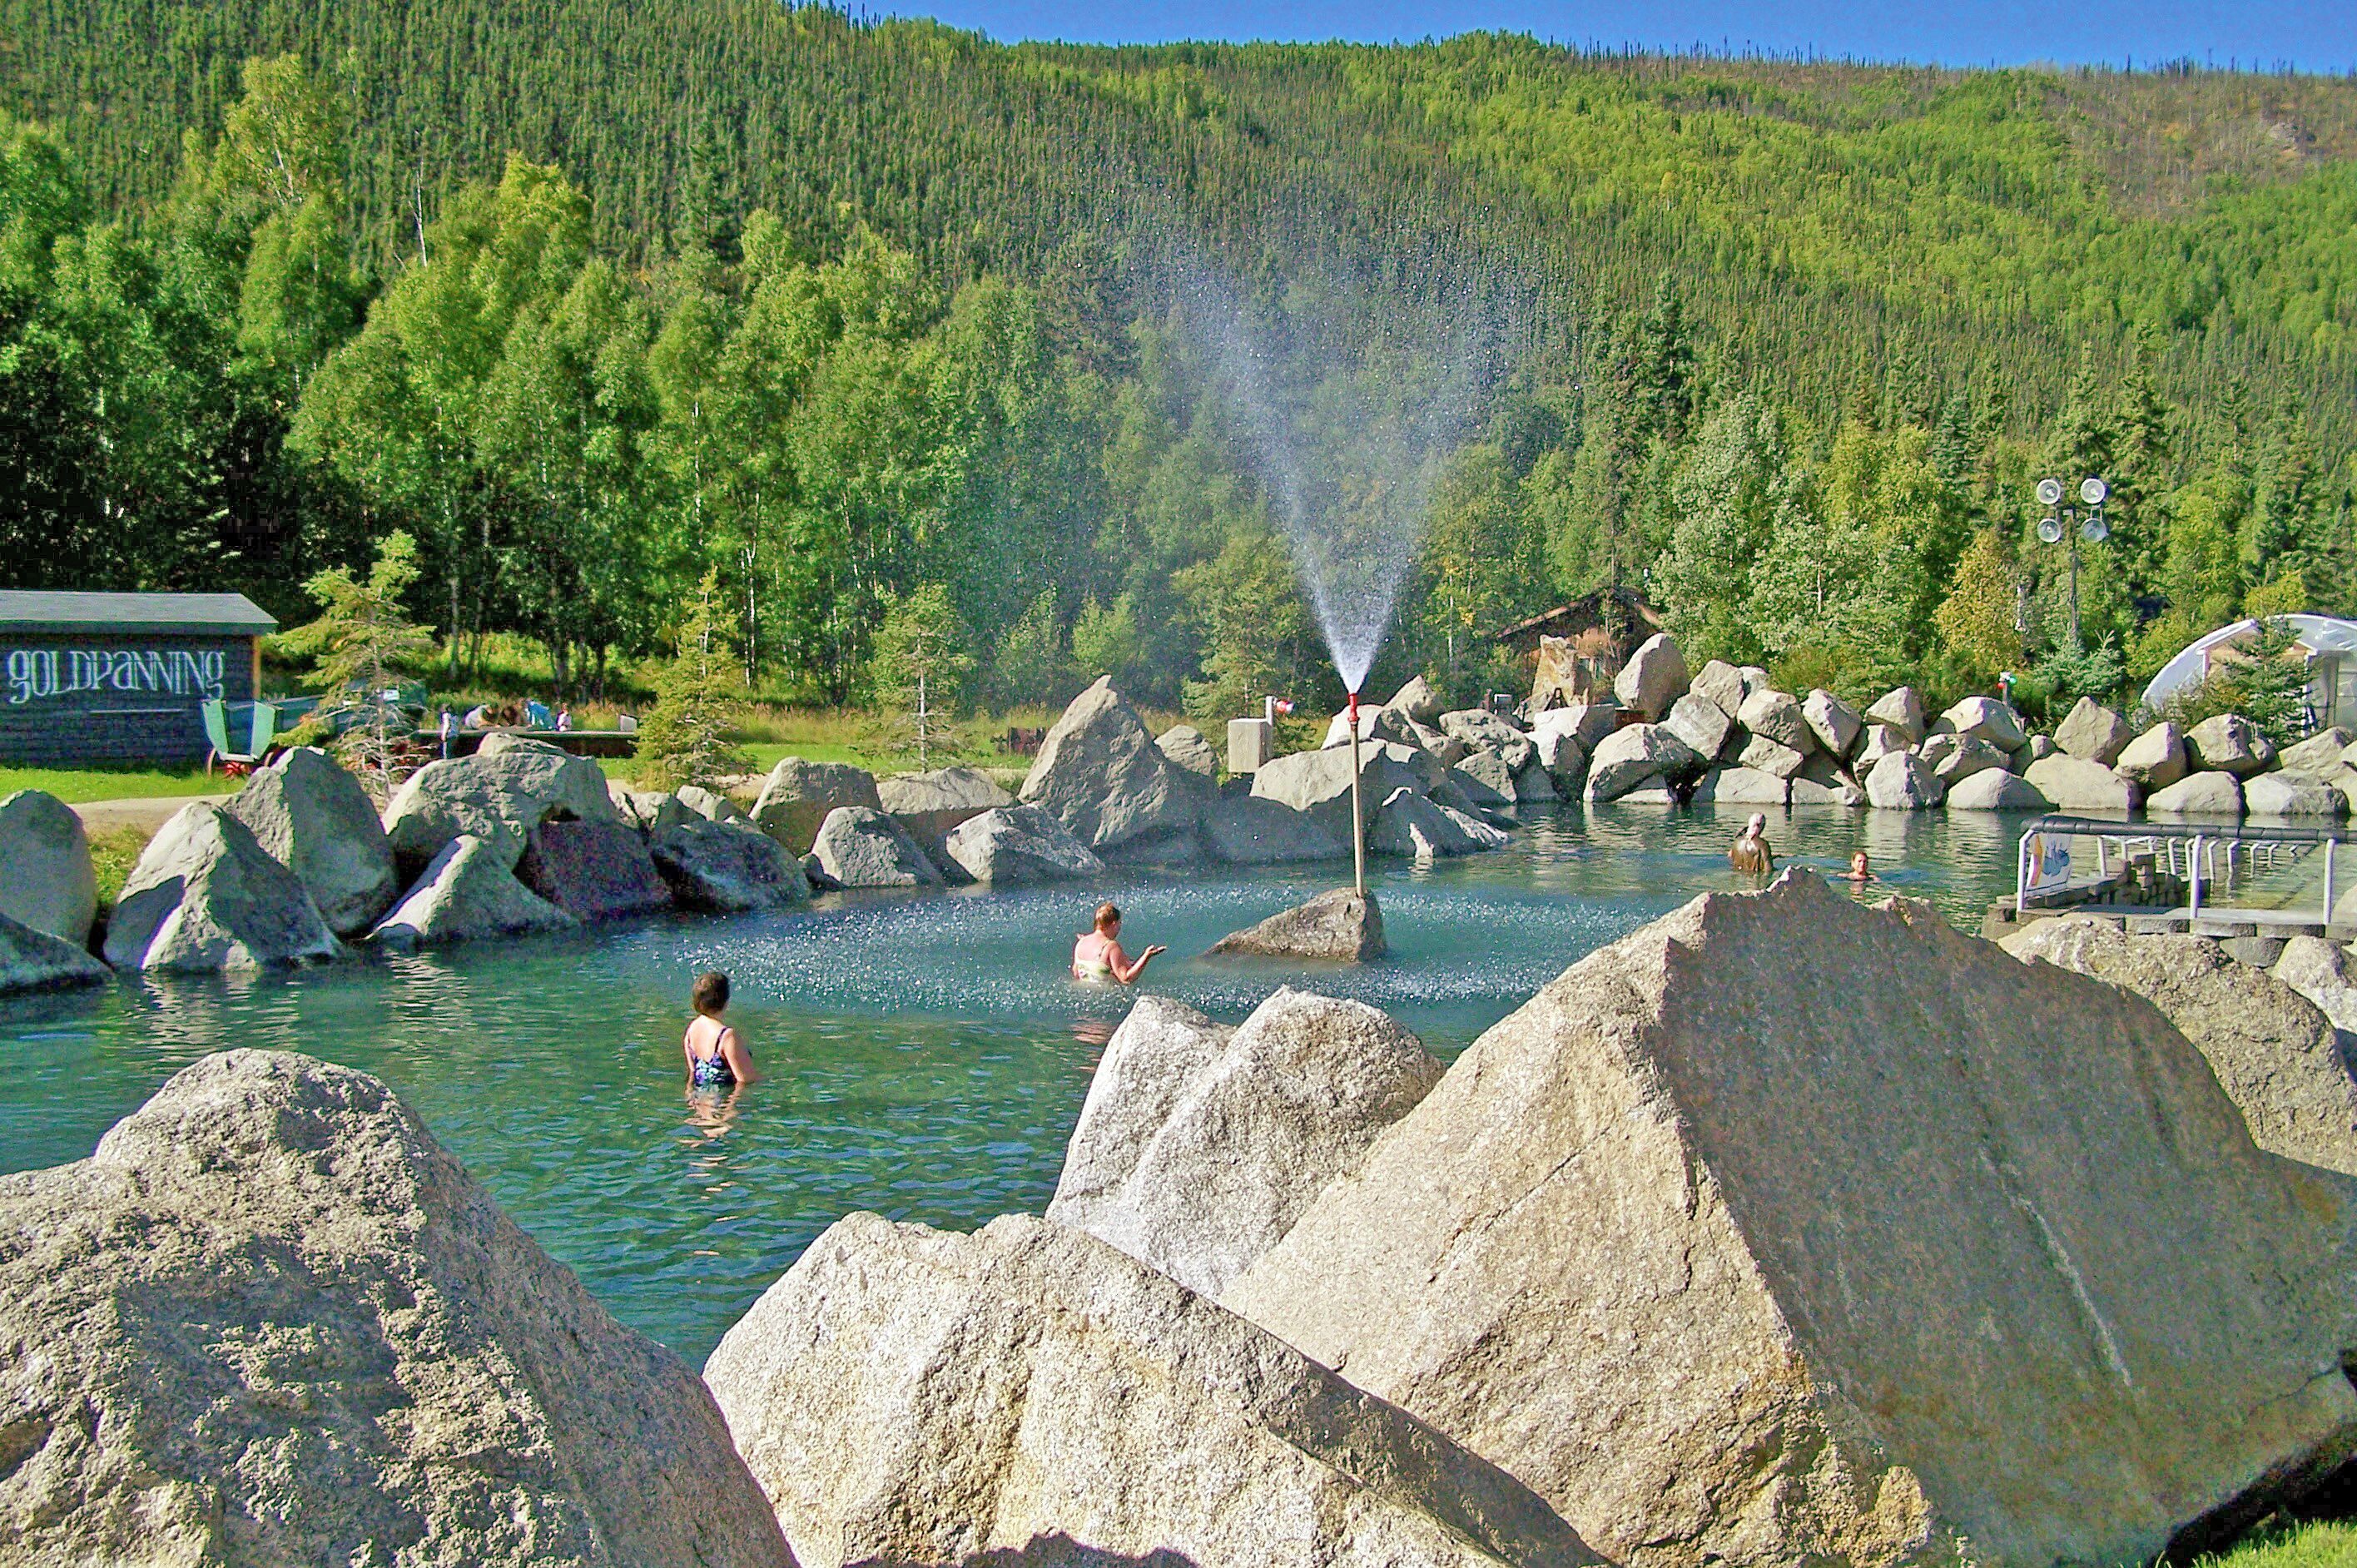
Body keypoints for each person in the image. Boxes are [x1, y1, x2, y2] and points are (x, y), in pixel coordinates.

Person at [683, 970, 757, 1088]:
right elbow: (746, 1080)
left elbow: (693, 1073)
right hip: (722, 1104)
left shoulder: (692, 1029)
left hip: (699, 1102)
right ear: (726, 1001)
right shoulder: (727, 1037)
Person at [1072, 902, 1164, 984]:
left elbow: (1076, 972)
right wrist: (1147, 956)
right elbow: (1126, 978)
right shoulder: (1111, 946)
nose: (1119, 928)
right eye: (1119, 923)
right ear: (1114, 924)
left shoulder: (1081, 942)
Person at [1729, 813, 1775, 877]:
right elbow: (1769, 870)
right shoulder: (1762, 844)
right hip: (1755, 882)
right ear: (1760, 826)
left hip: (1739, 880)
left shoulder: (1736, 842)